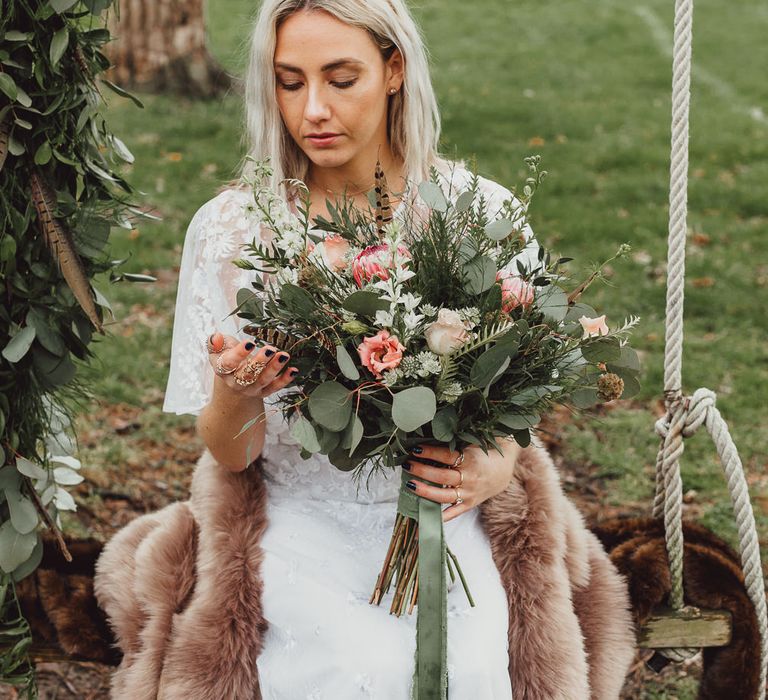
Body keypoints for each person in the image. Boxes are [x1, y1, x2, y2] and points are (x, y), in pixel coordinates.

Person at [95, 1, 636, 698]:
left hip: (440, 509)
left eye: (340, 78)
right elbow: (232, 454)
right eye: (290, 82)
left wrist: (494, 467)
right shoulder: (235, 229)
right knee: (360, 672)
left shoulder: (476, 213)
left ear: (393, 70)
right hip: (298, 517)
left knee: (465, 670)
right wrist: (239, 389)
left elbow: (514, 401)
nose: (312, 108)